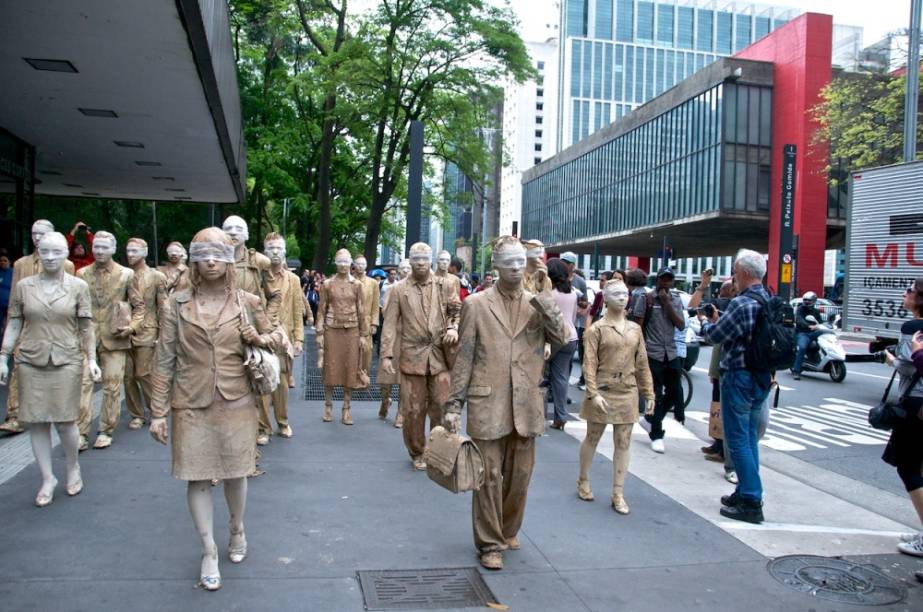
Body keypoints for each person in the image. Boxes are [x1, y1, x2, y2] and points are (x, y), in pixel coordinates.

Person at [149, 227, 283, 591]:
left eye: (218, 255)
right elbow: (164, 358)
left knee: (236, 473)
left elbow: (278, 339)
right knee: (196, 476)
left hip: (236, 398)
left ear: (229, 260)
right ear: (193, 260)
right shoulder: (176, 303)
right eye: (203, 255)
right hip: (190, 400)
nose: (210, 261)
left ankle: (237, 527)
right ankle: (208, 550)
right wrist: (158, 412)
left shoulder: (246, 302)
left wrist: (259, 337)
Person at [444, 236, 566, 571]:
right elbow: (464, 357)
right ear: (496, 266)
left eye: (520, 262)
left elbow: (561, 337)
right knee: (488, 476)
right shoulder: (476, 304)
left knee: (521, 476)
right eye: (508, 262)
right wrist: (453, 405)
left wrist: (545, 295)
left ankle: (508, 529)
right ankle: (489, 543)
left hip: (526, 403)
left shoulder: (536, 303)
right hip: (487, 401)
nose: (515, 268)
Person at [0, 232, 101, 506]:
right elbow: (14, 321)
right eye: (45, 251)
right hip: (30, 359)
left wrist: (91, 359)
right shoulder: (24, 286)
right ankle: (47, 478)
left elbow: (86, 327)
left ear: (66, 254)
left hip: (66, 359)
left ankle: (72, 466)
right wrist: (4, 356)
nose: (50, 257)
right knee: (36, 421)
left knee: (66, 421)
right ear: (38, 252)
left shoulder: (78, 287)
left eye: (56, 252)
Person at [700, 249, 773, 524]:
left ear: (743, 272)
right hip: (761, 377)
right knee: (750, 437)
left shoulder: (742, 304)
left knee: (738, 439)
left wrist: (707, 323)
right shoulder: (769, 300)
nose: (733, 277)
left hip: (739, 377)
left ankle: (751, 498)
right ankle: (744, 491)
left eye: (734, 272)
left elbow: (715, 335)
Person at [380, 243, 460, 470]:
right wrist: (386, 355)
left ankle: (439, 451)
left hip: (439, 355)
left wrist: (453, 327)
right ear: (410, 260)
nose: (421, 263)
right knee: (413, 410)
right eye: (416, 259)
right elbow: (390, 324)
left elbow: (456, 310)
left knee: (442, 405)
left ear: (431, 260)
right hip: (412, 356)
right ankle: (417, 451)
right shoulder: (398, 290)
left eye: (425, 258)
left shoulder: (445, 285)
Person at [577, 280, 654, 514]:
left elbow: (642, 362)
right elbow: (589, 364)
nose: (622, 298)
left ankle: (618, 492)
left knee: (623, 441)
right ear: (606, 299)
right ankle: (583, 479)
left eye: (625, 294)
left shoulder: (634, 329)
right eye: (616, 294)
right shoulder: (596, 329)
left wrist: (648, 392)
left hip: (627, 390)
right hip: (603, 389)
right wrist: (593, 393)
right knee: (593, 436)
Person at [2, 220, 76, 434]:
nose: (37, 237)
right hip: (27, 325)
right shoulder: (20, 264)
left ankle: (51, 411)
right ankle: (14, 415)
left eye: (42, 233)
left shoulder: (67, 265)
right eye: (34, 233)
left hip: (57, 328)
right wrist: (10, 328)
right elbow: (14, 301)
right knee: (19, 369)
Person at [76, 231, 145, 450]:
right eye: (96, 247)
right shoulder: (81, 273)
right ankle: (80, 432)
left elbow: (139, 307)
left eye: (104, 247)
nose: (99, 251)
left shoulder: (126, 274)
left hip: (115, 337)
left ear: (114, 249)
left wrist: (132, 327)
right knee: (83, 385)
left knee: (112, 386)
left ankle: (106, 429)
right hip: (86, 337)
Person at [882, 281, 923, 558]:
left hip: (915, 404)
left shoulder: (913, 328)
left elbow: (908, 366)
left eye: (909, 291)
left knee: (908, 468)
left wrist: (891, 360)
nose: (904, 294)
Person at [630, 267, 685, 453]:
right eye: (663, 279)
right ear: (658, 280)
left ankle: (651, 419)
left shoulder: (675, 299)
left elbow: (681, 324)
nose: (666, 282)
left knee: (675, 391)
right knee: (655, 395)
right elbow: (637, 327)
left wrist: (667, 304)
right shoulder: (646, 299)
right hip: (652, 352)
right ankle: (656, 433)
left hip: (671, 352)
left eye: (669, 279)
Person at [316, 249, 369, 424]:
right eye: (340, 262)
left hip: (352, 331)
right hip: (332, 329)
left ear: (351, 263)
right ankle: (328, 406)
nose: (343, 265)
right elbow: (321, 309)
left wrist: (363, 334)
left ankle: (346, 408)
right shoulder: (327, 284)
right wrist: (319, 333)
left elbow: (362, 310)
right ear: (335, 263)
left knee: (350, 369)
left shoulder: (357, 285)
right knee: (330, 369)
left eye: (346, 262)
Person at [259, 233, 303, 440]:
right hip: (261, 336)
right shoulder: (258, 276)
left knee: (282, 384)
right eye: (271, 248)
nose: (275, 252)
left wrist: (299, 339)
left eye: (279, 248)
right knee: (262, 382)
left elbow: (297, 311)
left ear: (285, 251)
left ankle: (283, 422)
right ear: (264, 252)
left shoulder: (293, 280)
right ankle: (263, 428)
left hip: (284, 339)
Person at [123, 238, 167, 431]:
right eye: (128, 251)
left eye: (134, 251)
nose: (130, 254)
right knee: (128, 376)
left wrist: (163, 333)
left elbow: (163, 307)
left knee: (143, 373)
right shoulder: (123, 275)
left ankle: (155, 409)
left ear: (145, 252)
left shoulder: (156, 276)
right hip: (123, 330)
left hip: (148, 329)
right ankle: (136, 414)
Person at [546, 258, 578, 430]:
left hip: (552, 339)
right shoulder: (572, 293)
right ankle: (561, 416)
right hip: (571, 337)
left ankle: (539, 414)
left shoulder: (549, 294)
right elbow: (573, 317)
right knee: (561, 378)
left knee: (542, 377)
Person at [377, 259, 410, 426]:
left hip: (409, 337)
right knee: (387, 377)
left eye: (408, 268)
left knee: (405, 377)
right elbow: (384, 311)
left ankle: (401, 412)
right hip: (393, 335)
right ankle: (385, 400)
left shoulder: (415, 290)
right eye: (402, 268)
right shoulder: (391, 288)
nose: (406, 271)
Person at [560, 252, 589, 388]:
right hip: (556, 322)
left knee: (568, 359)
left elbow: (585, 303)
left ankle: (563, 387)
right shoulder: (557, 278)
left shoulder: (580, 281)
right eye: (563, 262)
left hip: (573, 324)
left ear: (573, 265)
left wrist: (576, 302)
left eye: (567, 263)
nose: (564, 265)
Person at [791, 291, 823, 380]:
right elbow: (799, 320)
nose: (807, 302)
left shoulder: (815, 311)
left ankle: (819, 360)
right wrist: (808, 326)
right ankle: (796, 371)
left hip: (814, 332)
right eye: (805, 300)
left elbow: (820, 322)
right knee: (802, 348)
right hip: (803, 333)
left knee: (827, 338)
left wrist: (823, 326)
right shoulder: (800, 309)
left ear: (814, 301)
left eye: (809, 300)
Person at [0, 249, 12, 340]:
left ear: (9, 262)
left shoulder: (13, 272)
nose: (2, 262)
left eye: (5, 260)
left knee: (8, 325)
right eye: (1, 261)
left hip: (10, 304)